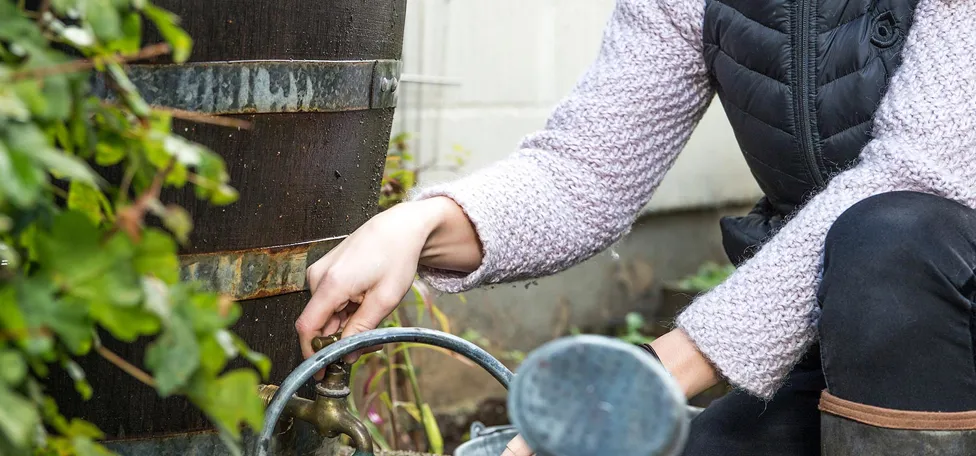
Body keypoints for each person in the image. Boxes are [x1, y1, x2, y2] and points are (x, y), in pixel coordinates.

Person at [296, 0, 976, 454]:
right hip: (841, 336)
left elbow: (916, 172)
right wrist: (419, 226)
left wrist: (632, 385)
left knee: (893, 240)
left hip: (943, 307)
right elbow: (587, 169)